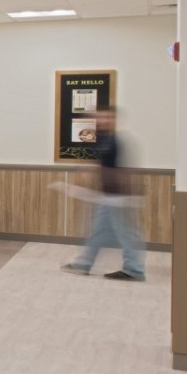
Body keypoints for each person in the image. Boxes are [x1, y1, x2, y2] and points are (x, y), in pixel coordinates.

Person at [62, 106, 146, 281]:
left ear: (114, 119)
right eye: (100, 118)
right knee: (98, 231)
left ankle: (134, 270)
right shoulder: (103, 139)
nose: (103, 121)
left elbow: (122, 171)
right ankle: (83, 264)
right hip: (107, 196)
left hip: (120, 197)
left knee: (126, 233)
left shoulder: (118, 141)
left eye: (107, 118)